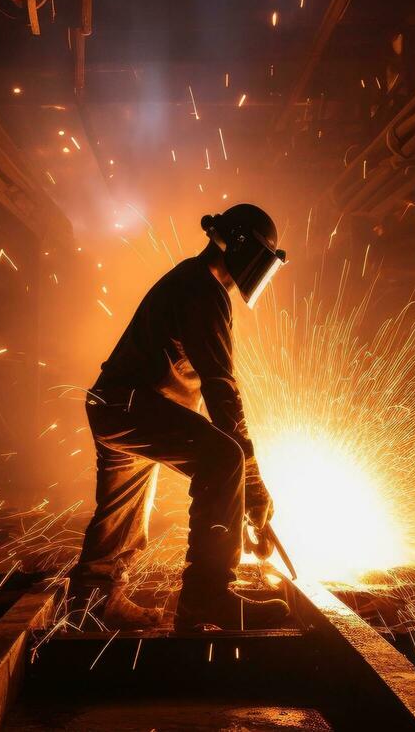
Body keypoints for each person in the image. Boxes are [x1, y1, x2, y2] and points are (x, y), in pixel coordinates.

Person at [72, 203, 290, 631]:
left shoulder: (194, 280)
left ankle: (96, 601)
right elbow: (221, 391)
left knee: (125, 506)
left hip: (114, 404)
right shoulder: (203, 291)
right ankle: (206, 598)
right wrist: (253, 484)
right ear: (246, 250)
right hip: (132, 404)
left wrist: (249, 498)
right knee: (223, 460)